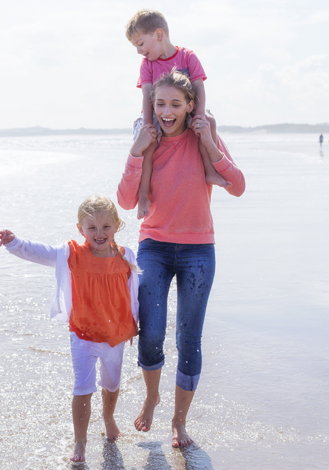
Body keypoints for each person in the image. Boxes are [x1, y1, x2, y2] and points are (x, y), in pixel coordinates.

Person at [117, 71, 245, 448]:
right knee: (151, 333)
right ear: (151, 105)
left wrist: (210, 140)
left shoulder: (202, 138)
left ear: (191, 106)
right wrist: (136, 150)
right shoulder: (148, 140)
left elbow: (237, 186)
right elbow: (125, 201)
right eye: (160, 104)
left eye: (175, 104)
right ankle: (152, 395)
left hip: (198, 251)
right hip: (154, 246)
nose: (167, 111)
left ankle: (179, 421)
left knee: (189, 340)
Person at [0, 194, 139, 464]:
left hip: (115, 335)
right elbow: (42, 252)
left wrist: (139, 323)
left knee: (111, 383)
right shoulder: (72, 253)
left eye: (106, 226)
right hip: (83, 332)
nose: (99, 233)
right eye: (92, 227)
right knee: (83, 386)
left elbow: (137, 293)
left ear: (118, 225)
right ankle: (81, 441)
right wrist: (15, 243)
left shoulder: (126, 256)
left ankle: (108, 417)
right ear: (80, 229)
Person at [125, 9, 230, 219]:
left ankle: (209, 171)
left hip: (186, 109)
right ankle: (144, 195)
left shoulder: (187, 57)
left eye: (140, 44)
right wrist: (148, 127)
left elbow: (199, 87)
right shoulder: (147, 64)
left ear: (158, 34)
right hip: (154, 114)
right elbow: (147, 96)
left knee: (209, 121)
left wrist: (199, 116)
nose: (138, 51)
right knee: (148, 144)